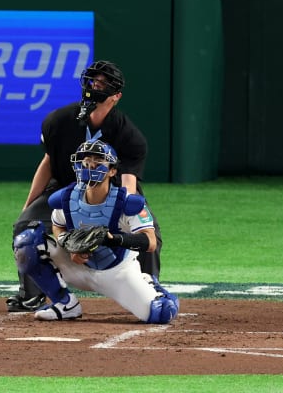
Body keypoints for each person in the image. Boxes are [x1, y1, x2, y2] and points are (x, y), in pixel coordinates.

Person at [7, 60, 160, 313]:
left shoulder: (129, 136)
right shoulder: (58, 121)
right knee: (25, 227)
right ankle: (31, 295)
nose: (95, 87)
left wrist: (122, 218)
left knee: (148, 233)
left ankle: (150, 289)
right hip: (66, 188)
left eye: (102, 84)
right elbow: (48, 163)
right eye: (93, 81)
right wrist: (28, 206)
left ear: (115, 96)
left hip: (111, 190)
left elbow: (129, 182)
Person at [12, 139, 179, 324]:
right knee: (27, 242)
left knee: (162, 313)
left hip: (117, 273)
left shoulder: (127, 203)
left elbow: (150, 242)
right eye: (86, 161)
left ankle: (148, 283)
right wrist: (69, 245)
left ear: (112, 171)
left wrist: (112, 239)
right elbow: (57, 226)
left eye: (98, 161)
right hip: (77, 267)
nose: (90, 165)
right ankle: (65, 304)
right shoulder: (67, 198)